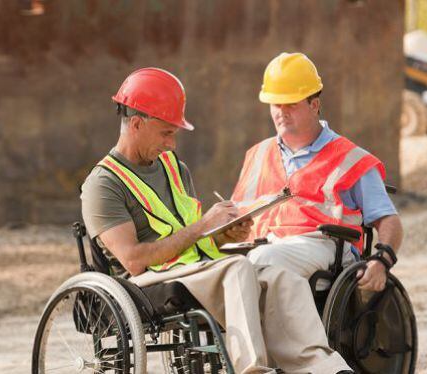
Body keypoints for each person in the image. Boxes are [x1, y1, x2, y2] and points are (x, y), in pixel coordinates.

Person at [81, 67, 353, 373]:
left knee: (280, 277)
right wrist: (202, 227)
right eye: (166, 132)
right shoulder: (103, 184)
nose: (172, 143)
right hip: (143, 283)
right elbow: (133, 260)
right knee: (236, 269)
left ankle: (322, 367)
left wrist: (223, 234)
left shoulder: (174, 168)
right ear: (136, 124)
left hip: (192, 270)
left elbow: (191, 237)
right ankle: (253, 370)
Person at [231, 52, 403, 292]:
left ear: (314, 105)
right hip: (266, 245)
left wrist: (381, 262)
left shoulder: (351, 158)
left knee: (262, 261)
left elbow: (389, 220)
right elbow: (236, 215)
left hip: (325, 249)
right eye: (275, 104)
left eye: (291, 103)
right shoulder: (257, 154)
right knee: (227, 268)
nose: (281, 111)